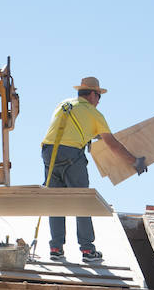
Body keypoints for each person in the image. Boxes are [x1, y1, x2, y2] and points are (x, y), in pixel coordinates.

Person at [41, 76, 145, 263]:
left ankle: (56, 248)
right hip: (72, 155)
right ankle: (87, 250)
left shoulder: (64, 104)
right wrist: (134, 161)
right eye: (99, 97)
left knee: (54, 201)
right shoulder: (94, 114)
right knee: (82, 201)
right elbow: (112, 144)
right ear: (92, 94)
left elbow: (70, 129)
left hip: (49, 152)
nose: (99, 102)